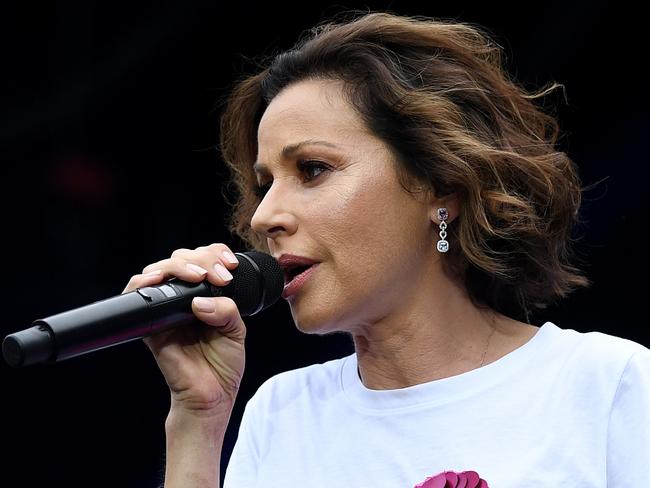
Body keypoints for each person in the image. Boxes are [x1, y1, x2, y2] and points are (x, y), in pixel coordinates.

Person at [122, 11, 650, 487]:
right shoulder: (282, 413)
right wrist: (197, 420)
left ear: (442, 187)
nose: (262, 218)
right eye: (265, 184)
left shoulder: (610, 387)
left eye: (312, 169)